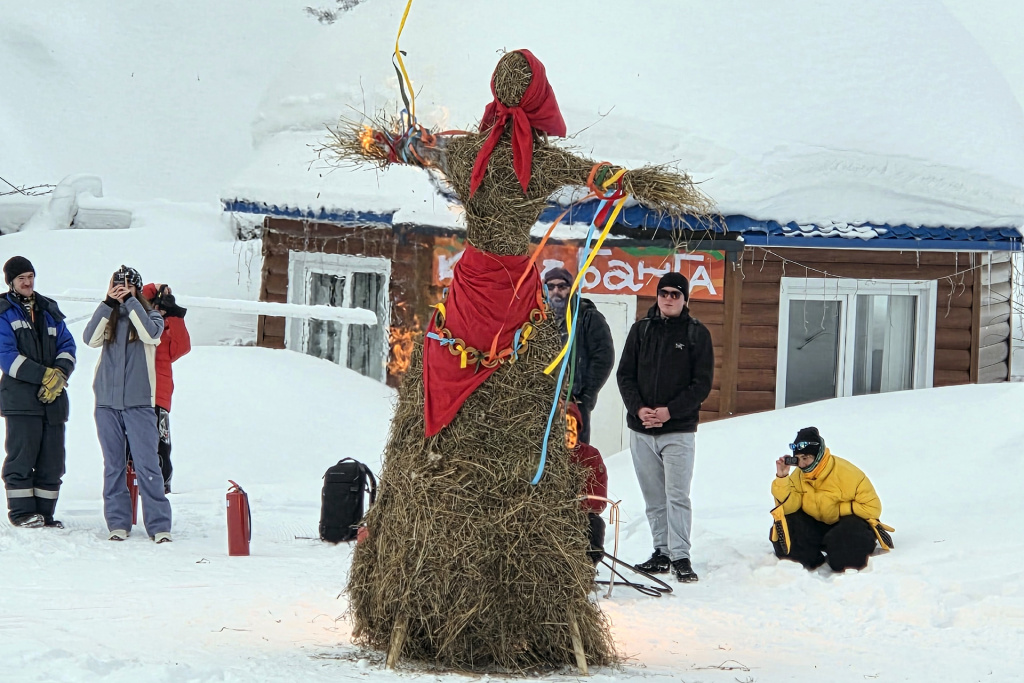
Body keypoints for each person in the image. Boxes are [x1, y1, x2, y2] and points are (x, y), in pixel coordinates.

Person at [616, 272, 713, 583]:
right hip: (642, 429)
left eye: (676, 294)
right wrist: (639, 408)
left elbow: (702, 384)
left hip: (679, 429)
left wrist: (669, 412)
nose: (669, 298)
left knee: (677, 495)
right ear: (656, 296)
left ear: (685, 300)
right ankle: (661, 552)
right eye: (664, 293)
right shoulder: (640, 331)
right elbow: (625, 375)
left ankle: (681, 555)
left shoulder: (697, 334)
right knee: (654, 497)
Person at [83, 266, 172, 543]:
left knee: (148, 465)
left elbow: (150, 335)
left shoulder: (152, 315)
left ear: (137, 288)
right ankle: (118, 523)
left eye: (128, 285)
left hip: (139, 404)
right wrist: (108, 303)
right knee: (113, 465)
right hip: (107, 404)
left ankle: (159, 526)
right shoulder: (108, 316)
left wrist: (132, 302)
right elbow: (89, 339)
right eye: (117, 284)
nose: (122, 289)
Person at [0, 257, 77, 528]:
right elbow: (6, 356)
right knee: (22, 457)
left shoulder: (48, 310)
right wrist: (45, 376)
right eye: (21, 277)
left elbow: (67, 345)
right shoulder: (3, 312)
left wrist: (60, 374)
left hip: (53, 401)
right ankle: (21, 514)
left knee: (53, 460)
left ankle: (45, 513)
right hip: (21, 401)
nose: (28, 282)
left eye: (30, 276)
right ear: (10, 281)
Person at [771, 426, 892, 572]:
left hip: (846, 526)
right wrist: (782, 478)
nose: (802, 465)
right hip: (817, 525)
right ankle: (814, 560)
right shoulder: (797, 475)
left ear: (819, 454)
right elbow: (789, 508)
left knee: (847, 558)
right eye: (798, 459)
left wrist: (839, 509)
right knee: (789, 531)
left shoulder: (848, 473)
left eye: (806, 458)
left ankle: (839, 552)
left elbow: (873, 509)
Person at [543, 267, 614, 444]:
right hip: (542, 402)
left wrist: (586, 397)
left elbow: (603, 358)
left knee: (574, 457)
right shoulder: (538, 318)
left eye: (562, 286)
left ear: (572, 289)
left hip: (573, 402)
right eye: (550, 287)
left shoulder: (587, 317)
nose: (556, 292)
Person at [133, 282, 190, 494]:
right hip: (136, 395)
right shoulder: (138, 325)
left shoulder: (167, 330)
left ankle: (162, 486)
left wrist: (174, 315)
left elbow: (182, 348)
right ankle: (132, 484)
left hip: (160, 397)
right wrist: (153, 289)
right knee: (134, 443)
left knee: (161, 445)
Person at [565, 402, 608, 564]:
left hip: (579, 516)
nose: (568, 433)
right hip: (547, 517)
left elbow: (598, 500)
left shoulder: (590, 455)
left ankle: (586, 568)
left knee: (595, 524)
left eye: (571, 426)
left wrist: (573, 505)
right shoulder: (542, 455)